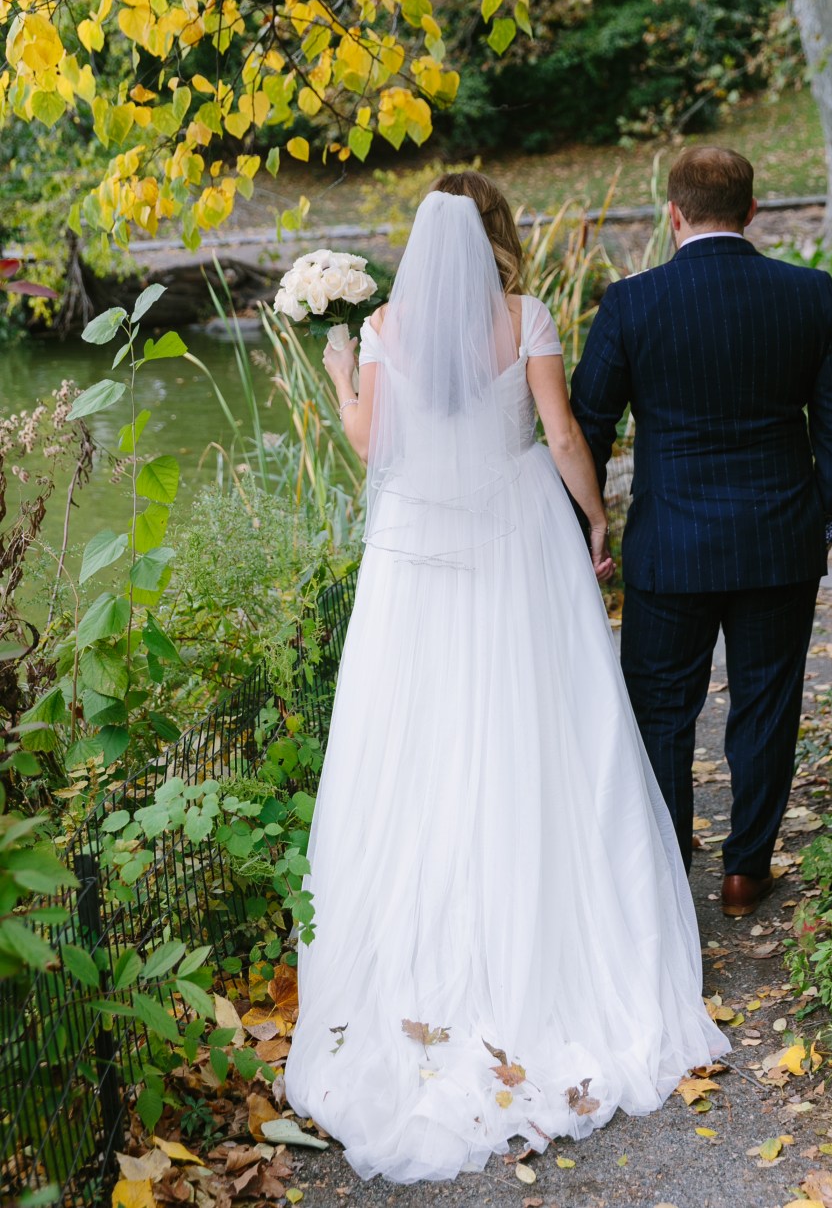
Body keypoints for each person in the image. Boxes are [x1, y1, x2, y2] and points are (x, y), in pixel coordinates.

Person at [285, 171, 728, 1184]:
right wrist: (598, 514)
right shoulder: (525, 314)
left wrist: (343, 369)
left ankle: (412, 981)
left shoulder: (390, 323)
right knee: (543, 730)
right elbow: (562, 432)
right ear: (493, 238)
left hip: (418, 552)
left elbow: (370, 445)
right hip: (516, 539)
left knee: (420, 738)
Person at [571, 147, 832, 918]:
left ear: (673, 214)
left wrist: (586, 527)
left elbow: (587, 427)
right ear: (752, 212)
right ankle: (745, 872)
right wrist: (824, 518)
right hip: (779, 540)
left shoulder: (631, 304)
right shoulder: (808, 295)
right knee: (766, 705)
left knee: (660, 710)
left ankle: (666, 870)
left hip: (670, 546)